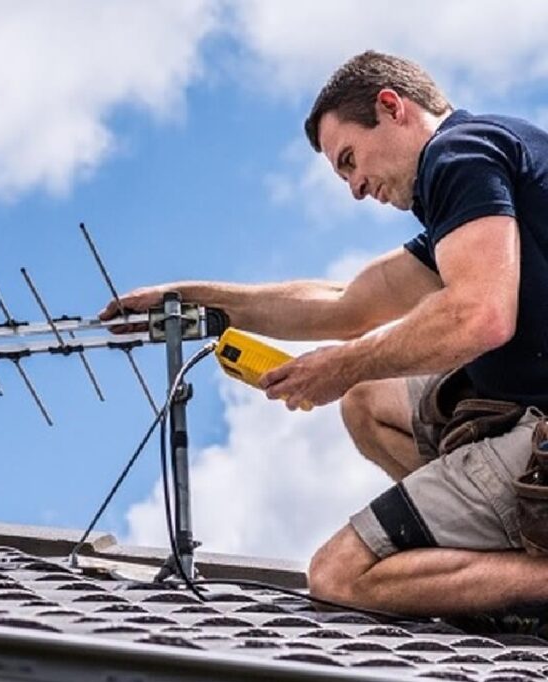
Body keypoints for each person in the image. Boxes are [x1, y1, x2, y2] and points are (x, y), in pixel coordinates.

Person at [99, 50, 548, 617]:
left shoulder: (457, 156)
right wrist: (194, 298)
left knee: (340, 574)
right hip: (531, 410)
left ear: (392, 107)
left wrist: (339, 366)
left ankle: (529, 581)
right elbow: (344, 305)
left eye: (350, 160)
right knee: (367, 402)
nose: (356, 188)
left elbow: (479, 316)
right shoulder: (486, 173)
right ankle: (482, 564)